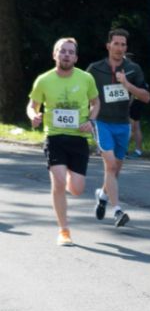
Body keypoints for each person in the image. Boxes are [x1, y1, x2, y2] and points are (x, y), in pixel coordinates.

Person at [26, 37, 100, 246]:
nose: (66, 55)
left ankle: (68, 175)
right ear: (54, 55)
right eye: (62, 51)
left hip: (78, 138)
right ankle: (64, 230)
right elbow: (32, 105)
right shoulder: (43, 80)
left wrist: (91, 121)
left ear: (76, 57)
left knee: (76, 189)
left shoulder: (86, 78)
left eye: (70, 52)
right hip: (54, 137)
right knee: (58, 182)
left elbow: (96, 103)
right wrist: (34, 116)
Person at [87, 28, 150, 227]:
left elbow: (146, 97)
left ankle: (102, 196)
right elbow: (82, 93)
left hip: (123, 124)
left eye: (123, 45)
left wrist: (127, 84)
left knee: (115, 170)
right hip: (101, 122)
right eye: (116, 44)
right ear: (108, 46)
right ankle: (117, 211)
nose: (119, 48)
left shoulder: (133, 69)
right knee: (111, 165)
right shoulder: (95, 69)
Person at [126, 53, 150, 159]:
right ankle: (137, 151)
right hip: (139, 100)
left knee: (132, 128)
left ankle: (124, 150)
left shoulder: (132, 71)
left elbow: (133, 91)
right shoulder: (135, 69)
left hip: (136, 101)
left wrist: (129, 104)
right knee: (136, 127)